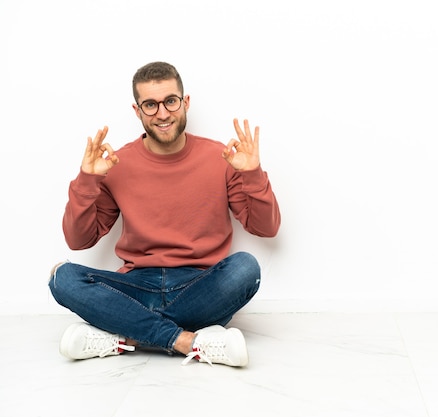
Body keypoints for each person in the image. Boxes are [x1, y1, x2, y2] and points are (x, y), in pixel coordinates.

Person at [48, 61, 281, 367]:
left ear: (184, 103)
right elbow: (78, 240)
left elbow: (267, 228)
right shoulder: (117, 164)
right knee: (61, 277)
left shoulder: (221, 158)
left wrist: (252, 174)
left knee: (246, 268)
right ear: (138, 111)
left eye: (170, 101)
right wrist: (87, 180)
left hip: (198, 290)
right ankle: (187, 340)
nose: (162, 113)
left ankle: (127, 336)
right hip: (136, 287)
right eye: (150, 104)